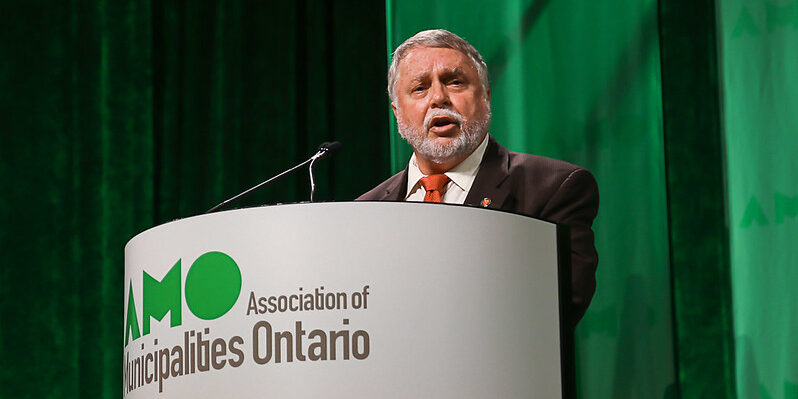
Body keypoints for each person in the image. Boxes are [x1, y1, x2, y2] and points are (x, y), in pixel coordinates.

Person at [357, 29, 598, 325]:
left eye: (454, 82)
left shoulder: (553, 188)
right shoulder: (365, 213)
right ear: (397, 111)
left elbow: (556, 311)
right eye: (419, 88)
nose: (438, 98)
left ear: (485, 96)